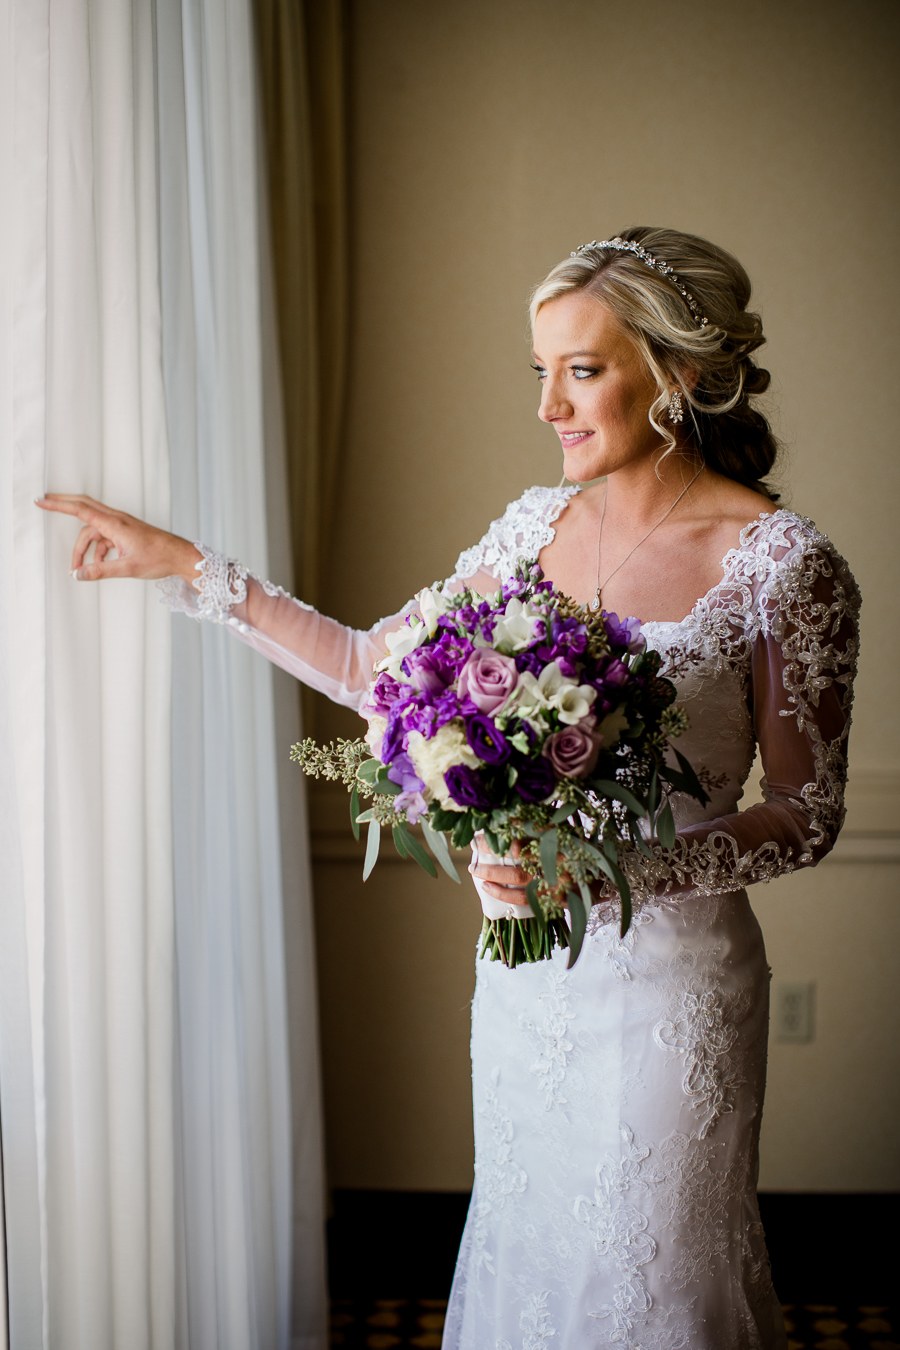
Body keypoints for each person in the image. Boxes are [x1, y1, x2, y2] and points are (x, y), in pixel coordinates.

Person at [38, 227, 859, 1349]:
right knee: (530, 1255)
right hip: (524, 988)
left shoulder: (783, 564)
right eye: (541, 373)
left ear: (678, 375)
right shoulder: (533, 529)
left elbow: (806, 816)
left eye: (582, 370)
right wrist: (186, 567)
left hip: (674, 996)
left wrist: (619, 871)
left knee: (655, 1288)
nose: (549, 408)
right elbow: (377, 669)